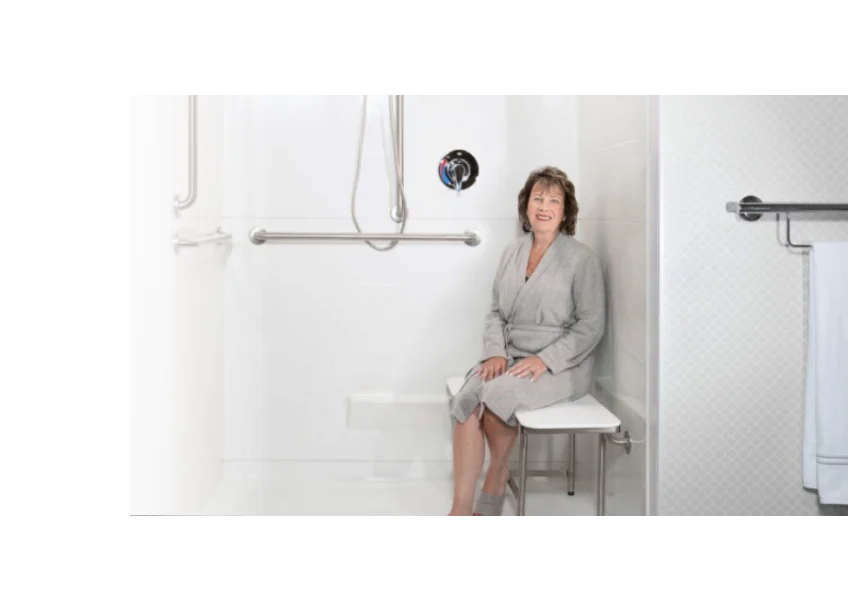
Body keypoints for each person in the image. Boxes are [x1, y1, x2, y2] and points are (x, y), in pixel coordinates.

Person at [448, 166, 606, 518]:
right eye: (538, 198)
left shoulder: (581, 259)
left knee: (498, 395)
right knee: (466, 402)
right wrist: (495, 352)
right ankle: (459, 510)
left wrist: (545, 359)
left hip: (561, 365)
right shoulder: (513, 252)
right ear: (526, 206)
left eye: (554, 200)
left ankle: (495, 479)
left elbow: (591, 326)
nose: (544, 207)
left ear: (566, 211)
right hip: (509, 355)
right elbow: (496, 312)